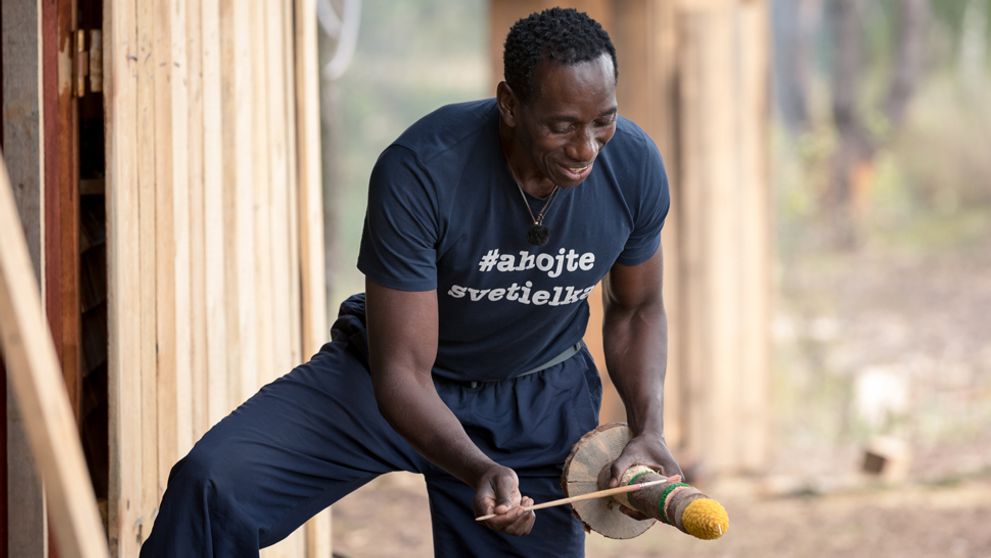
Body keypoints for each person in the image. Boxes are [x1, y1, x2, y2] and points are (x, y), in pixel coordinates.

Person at [141, 7, 681, 557]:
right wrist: (476, 465)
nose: (586, 147)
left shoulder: (632, 167)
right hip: (385, 383)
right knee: (213, 487)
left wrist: (648, 428)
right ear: (510, 105)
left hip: (536, 404)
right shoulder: (423, 169)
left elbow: (637, 308)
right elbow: (402, 371)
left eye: (602, 121)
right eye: (562, 125)